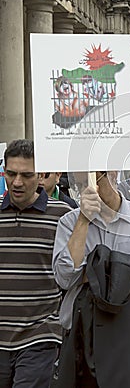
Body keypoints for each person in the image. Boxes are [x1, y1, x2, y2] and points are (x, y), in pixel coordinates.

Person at [52, 170, 130, 387]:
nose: (89, 187)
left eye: (97, 177)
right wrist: (83, 222)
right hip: (82, 333)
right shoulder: (70, 222)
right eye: (81, 181)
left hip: (129, 334)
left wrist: (95, 274)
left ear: (113, 173)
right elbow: (65, 277)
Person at [0, 139, 72, 388]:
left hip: (40, 336)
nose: (17, 182)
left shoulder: (63, 215)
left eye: (26, 175)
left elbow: (73, 270)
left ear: (41, 174)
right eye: (11, 174)